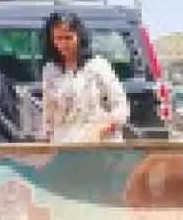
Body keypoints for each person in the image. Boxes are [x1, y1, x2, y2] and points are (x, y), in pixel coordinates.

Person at [40, 11, 130, 142]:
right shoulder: (50, 71)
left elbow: (121, 107)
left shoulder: (98, 66)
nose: (63, 44)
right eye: (58, 38)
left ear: (79, 36)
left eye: (68, 38)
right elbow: (48, 116)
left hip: (99, 147)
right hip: (64, 149)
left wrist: (102, 129)